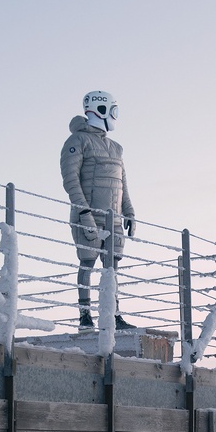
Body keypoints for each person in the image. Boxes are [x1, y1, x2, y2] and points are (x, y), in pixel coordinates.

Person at [61, 90, 136, 329]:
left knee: (111, 268)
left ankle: (113, 315)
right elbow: (70, 179)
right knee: (87, 263)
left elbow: (122, 184)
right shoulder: (77, 141)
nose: (115, 116)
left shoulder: (117, 148)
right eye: (113, 110)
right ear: (102, 109)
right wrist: (84, 213)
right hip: (89, 215)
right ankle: (85, 316)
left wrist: (130, 212)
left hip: (113, 218)